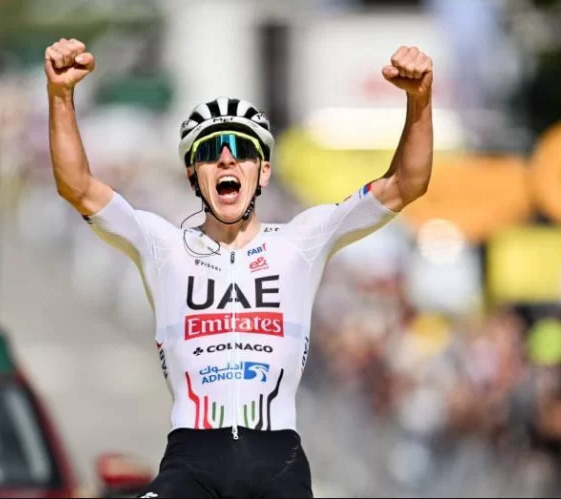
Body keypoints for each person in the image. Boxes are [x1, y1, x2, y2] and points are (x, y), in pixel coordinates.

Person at [44, 37, 434, 499]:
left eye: (241, 149)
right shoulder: (163, 245)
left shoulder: (300, 241)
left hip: (277, 458)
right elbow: (78, 186)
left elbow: (405, 183)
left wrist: (419, 101)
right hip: (192, 458)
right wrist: (61, 97)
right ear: (193, 175)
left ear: (263, 171)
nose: (225, 158)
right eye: (209, 152)